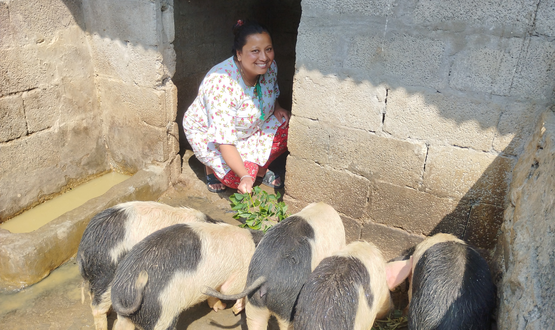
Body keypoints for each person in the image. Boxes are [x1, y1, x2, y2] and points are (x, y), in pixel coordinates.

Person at [183, 20, 291, 194]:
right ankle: (211, 167)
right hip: (215, 138)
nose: (264, 57)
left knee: (288, 126)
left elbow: (270, 92)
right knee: (239, 179)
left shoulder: (270, 67)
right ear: (239, 54)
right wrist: (245, 176)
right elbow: (225, 140)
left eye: (268, 49)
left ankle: (261, 169)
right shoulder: (221, 84)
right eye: (255, 51)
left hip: (250, 127)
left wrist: (277, 107)